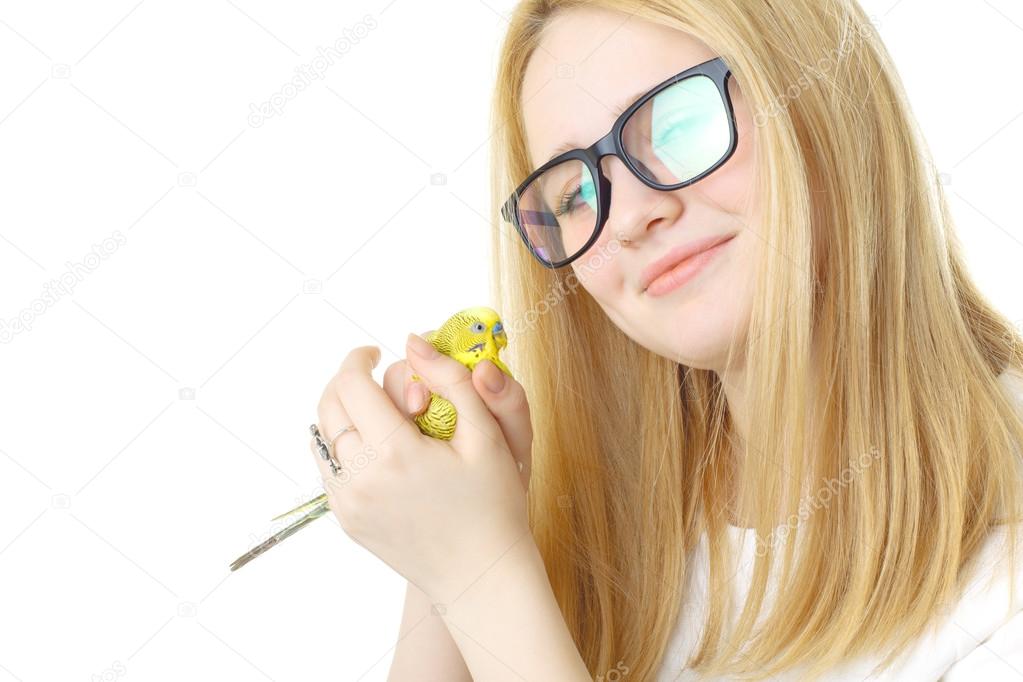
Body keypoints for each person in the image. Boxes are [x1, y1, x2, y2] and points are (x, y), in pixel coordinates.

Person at [313, 1, 1023, 679]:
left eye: (679, 125)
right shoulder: (593, 529)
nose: (626, 218)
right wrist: (447, 544)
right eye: (575, 195)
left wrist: (476, 573)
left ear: (822, 99)